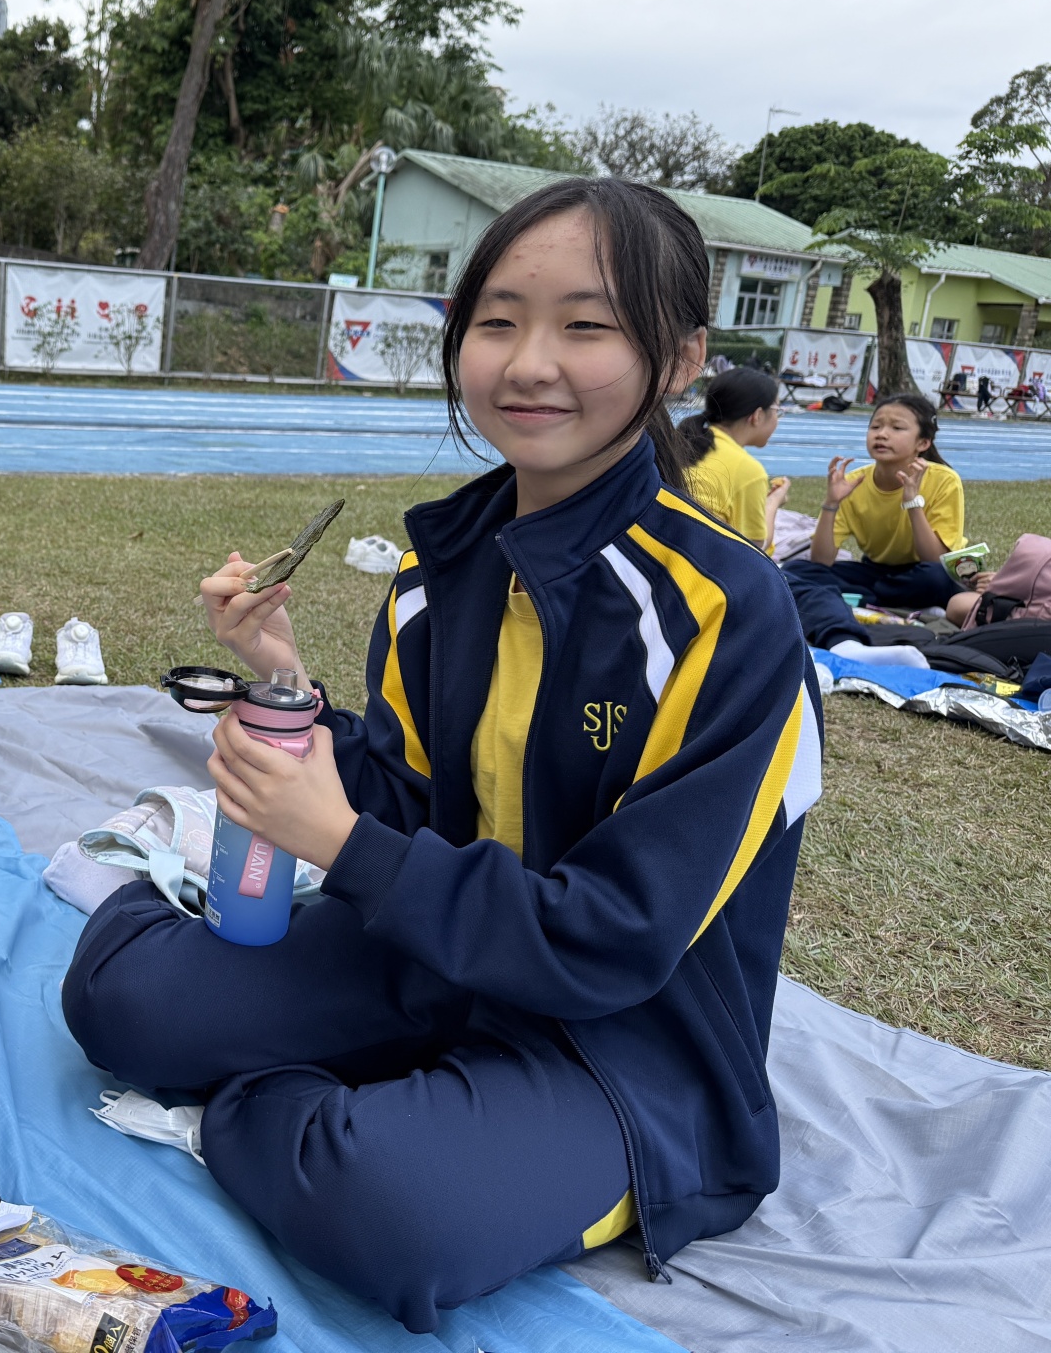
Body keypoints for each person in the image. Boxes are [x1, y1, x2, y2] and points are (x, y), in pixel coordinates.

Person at [63, 178, 820, 1333]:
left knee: (394, 1213)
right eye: (497, 321)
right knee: (121, 1003)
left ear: (678, 360)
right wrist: (287, 689)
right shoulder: (440, 576)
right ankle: (286, 1031)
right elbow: (401, 799)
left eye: (586, 325)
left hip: (623, 1043)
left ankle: (261, 1109)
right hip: (436, 955)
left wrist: (344, 847)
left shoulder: (727, 615)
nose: (529, 363)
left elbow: (617, 937)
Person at [781, 393, 965, 652]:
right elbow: (821, 560)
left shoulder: (944, 480)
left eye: (896, 428)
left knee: (936, 578)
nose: (882, 434)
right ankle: (895, 601)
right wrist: (831, 503)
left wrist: (912, 501)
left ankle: (858, 600)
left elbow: (934, 559)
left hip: (924, 571)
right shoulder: (855, 481)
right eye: (876, 426)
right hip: (876, 571)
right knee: (798, 569)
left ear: (923, 442)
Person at [675, 366, 790, 549]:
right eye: (778, 410)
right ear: (757, 416)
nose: (778, 418)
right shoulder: (748, 470)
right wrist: (773, 502)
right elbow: (753, 550)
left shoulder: (684, 442)